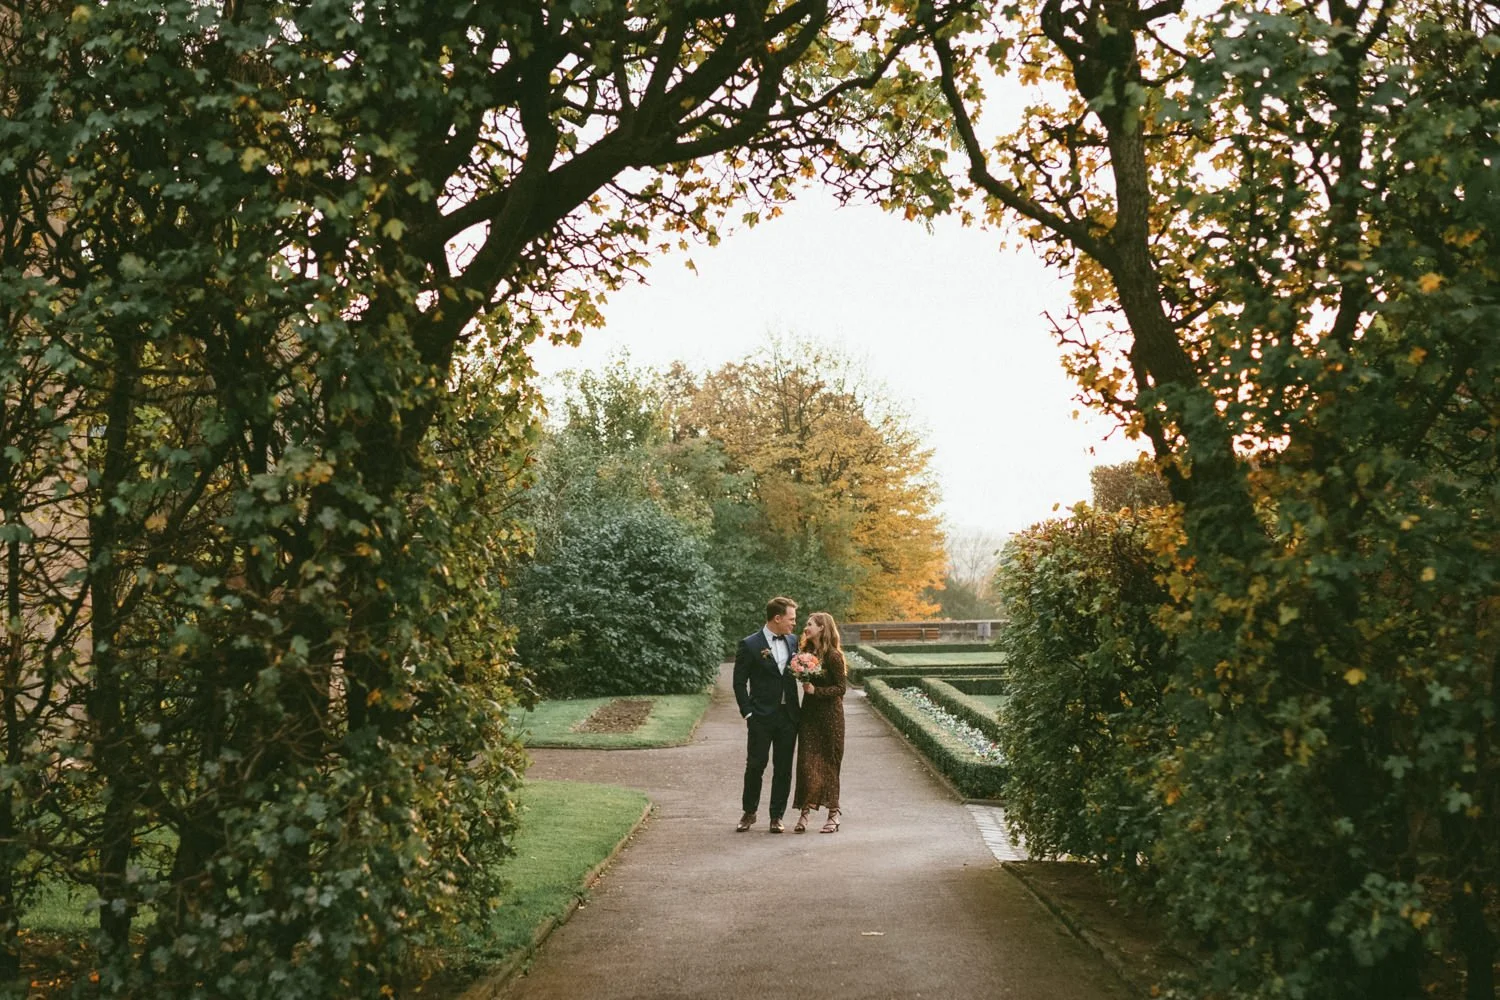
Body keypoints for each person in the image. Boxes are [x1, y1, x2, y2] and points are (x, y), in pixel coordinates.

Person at [732, 596, 800, 833]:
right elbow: (739, 682)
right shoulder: (750, 644)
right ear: (777, 618)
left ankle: (776, 816)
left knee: (783, 767)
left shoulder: (794, 642)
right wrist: (747, 712)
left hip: (788, 716)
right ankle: (749, 813)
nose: (794, 624)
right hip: (760, 716)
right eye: (791, 619)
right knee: (755, 765)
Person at [792, 612, 847, 834]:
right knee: (806, 764)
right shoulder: (805, 654)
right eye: (806, 624)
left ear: (822, 628)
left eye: (810, 624)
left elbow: (841, 689)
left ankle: (833, 813)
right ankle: (804, 813)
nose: (806, 627)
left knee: (829, 765)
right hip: (809, 716)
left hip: (830, 718)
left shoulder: (833, 656)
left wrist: (817, 690)